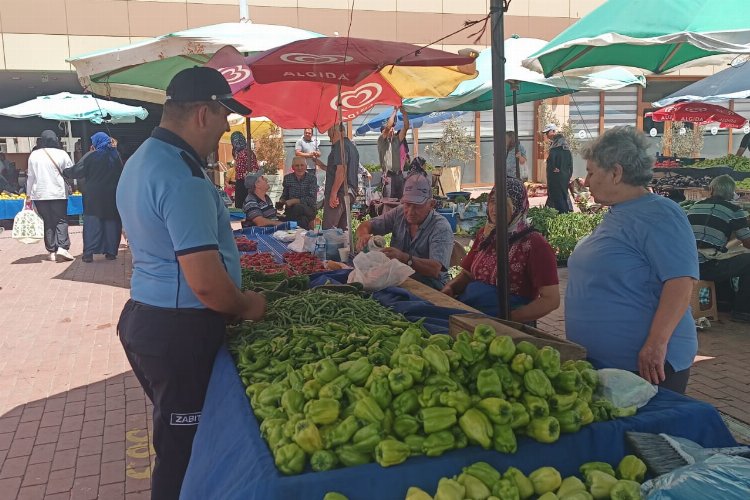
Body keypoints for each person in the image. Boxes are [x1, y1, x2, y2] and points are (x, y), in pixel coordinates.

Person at [115, 67, 266, 500]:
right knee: (183, 453)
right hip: (179, 330)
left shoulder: (142, 160)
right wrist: (247, 305)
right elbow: (205, 285)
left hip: (148, 318)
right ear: (203, 113)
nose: (225, 128)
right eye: (224, 118)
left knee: (176, 442)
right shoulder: (183, 178)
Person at [565, 126, 698, 394]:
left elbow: (680, 283)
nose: (586, 181)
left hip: (647, 367)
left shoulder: (660, 213)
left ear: (616, 172)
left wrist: (655, 345)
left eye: (591, 172)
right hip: (612, 365)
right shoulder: (618, 212)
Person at [442, 180, 560, 322]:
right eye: (492, 201)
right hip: (472, 313)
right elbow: (467, 275)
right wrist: (451, 288)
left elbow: (551, 299)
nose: (495, 208)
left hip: (507, 326)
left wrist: (508, 319)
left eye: (504, 202)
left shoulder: (535, 244)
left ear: (517, 206)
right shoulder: (485, 235)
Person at [355, 172, 454, 290]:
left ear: (431, 204)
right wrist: (363, 236)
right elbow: (367, 225)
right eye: (407, 204)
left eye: (417, 206)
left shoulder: (441, 227)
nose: (410, 211)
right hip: (400, 279)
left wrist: (405, 258)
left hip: (431, 286)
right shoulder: (400, 212)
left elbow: (435, 269)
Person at [687, 175, 750, 323]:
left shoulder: (695, 206)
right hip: (706, 266)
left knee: (723, 254)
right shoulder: (734, 210)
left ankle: (724, 302)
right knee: (746, 261)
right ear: (732, 192)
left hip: (687, 264)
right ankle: (743, 310)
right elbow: (747, 242)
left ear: (712, 189)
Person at [63, 132, 124, 263]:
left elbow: (76, 171)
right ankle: (111, 252)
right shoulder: (115, 156)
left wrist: (64, 171)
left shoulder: (91, 156)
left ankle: (89, 253)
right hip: (112, 195)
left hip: (93, 196)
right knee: (111, 222)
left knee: (92, 223)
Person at [26, 130, 75, 262]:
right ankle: (62, 248)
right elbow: (70, 171)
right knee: (61, 220)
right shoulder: (62, 153)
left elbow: (30, 177)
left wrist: (28, 194)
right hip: (58, 192)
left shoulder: (34, 155)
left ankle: (51, 251)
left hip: (39, 194)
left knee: (48, 221)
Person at [314, 123, 359, 229]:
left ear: (335, 132)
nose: (329, 138)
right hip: (349, 192)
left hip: (340, 193)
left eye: (330, 135)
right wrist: (321, 165)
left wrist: (333, 193)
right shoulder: (351, 146)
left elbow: (341, 171)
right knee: (342, 231)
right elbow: (339, 169)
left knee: (330, 231)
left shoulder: (340, 145)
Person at [378, 106, 410, 199]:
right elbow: (388, 127)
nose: (392, 129)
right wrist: (395, 111)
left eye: (393, 128)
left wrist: (404, 113)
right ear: (383, 132)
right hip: (389, 176)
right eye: (388, 129)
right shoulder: (381, 141)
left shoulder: (396, 140)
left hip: (399, 175)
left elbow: (406, 127)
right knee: (389, 201)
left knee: (401, 202)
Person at [278, 157, 317, 229]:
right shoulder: (287, 178)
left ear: (306, 166)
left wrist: (294, 201)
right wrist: (281, 202)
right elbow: (285, 195)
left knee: (298, 207)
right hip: (293, 210)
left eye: (302, 165)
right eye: (297, 165)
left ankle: (289, 227)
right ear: (293, 167)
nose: (300, 168)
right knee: (302, 220)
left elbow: (312, 200)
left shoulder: (312, 178)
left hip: (308, 209)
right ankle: (302, 234)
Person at [542, 123, 573, 213]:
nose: (546, 135)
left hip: (556, 179)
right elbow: (570, 165)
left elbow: (552, 164)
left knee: (559, 198)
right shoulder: (566, 149)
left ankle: (564, 214)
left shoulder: (555, 150)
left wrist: (555, 170)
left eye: (547, 132)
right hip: (564, 176)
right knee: (561, 196)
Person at [230, 131, 258, 210]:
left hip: (245, 183)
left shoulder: (245, 153)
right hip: (244, 182)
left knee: (243, 207)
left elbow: (253, 169)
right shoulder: (242, 152)